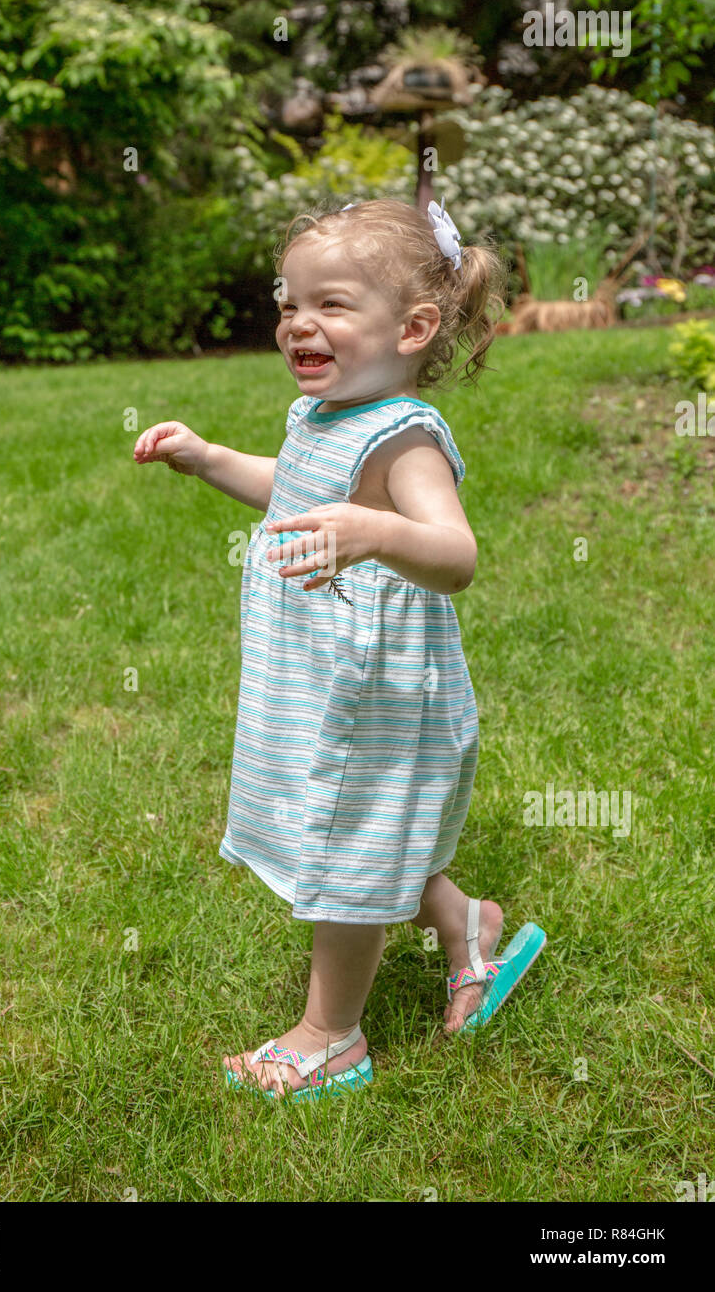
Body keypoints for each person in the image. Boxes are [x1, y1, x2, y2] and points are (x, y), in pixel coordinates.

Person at [133, 197, 546, 1102]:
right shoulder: (317, 417)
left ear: (414, 328)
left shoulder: (406, 439)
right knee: (360, 824)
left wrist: (373, 530)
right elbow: (292, 488)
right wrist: (206, 458)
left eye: (330, 304)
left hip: (381, 687)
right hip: (321, 678)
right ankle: (466, 923)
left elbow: (458, 556)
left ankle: (330, 1038)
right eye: (288, 304)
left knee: (347, 849)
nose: (297, 324)